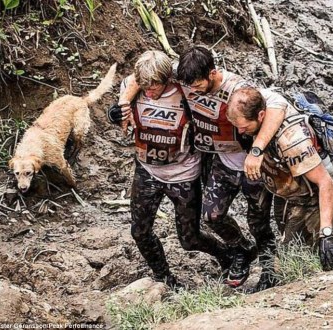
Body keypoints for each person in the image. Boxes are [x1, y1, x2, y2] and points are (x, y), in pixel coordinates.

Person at [120, 46, 286, 292]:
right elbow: (142, 76)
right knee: (212, 216)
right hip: (219, 160)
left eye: (197, 85)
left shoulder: (237, 90)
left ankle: (269, 271)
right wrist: (123, 102)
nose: (192, 90)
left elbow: (278, 103)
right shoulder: (183, 77)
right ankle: (240, 251)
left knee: (258, 222)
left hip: (249, 163)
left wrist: (257, 150)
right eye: (189, 86)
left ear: (212, 74)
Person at [106, 50, 233, 288]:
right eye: (144, 87)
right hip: (147, 170)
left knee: (190, 238)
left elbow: (215, 88)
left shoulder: (186, 89)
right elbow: (129, 89)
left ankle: (227, 256)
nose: (149, 93)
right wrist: (117, 110)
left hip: (183, 174)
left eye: (154, 87)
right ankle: (164, 277)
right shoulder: (133, 86)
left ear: (167, 79)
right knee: (139, 232)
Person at [227, 87, 333, 272]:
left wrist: (327, 233)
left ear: (261, 115)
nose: (240, 132)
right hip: (286, 191)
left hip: (308, 198)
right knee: (288, 240)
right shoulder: (262, 102)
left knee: (292, 255)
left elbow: (326, 182)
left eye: (245, 127)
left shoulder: (293, 142)